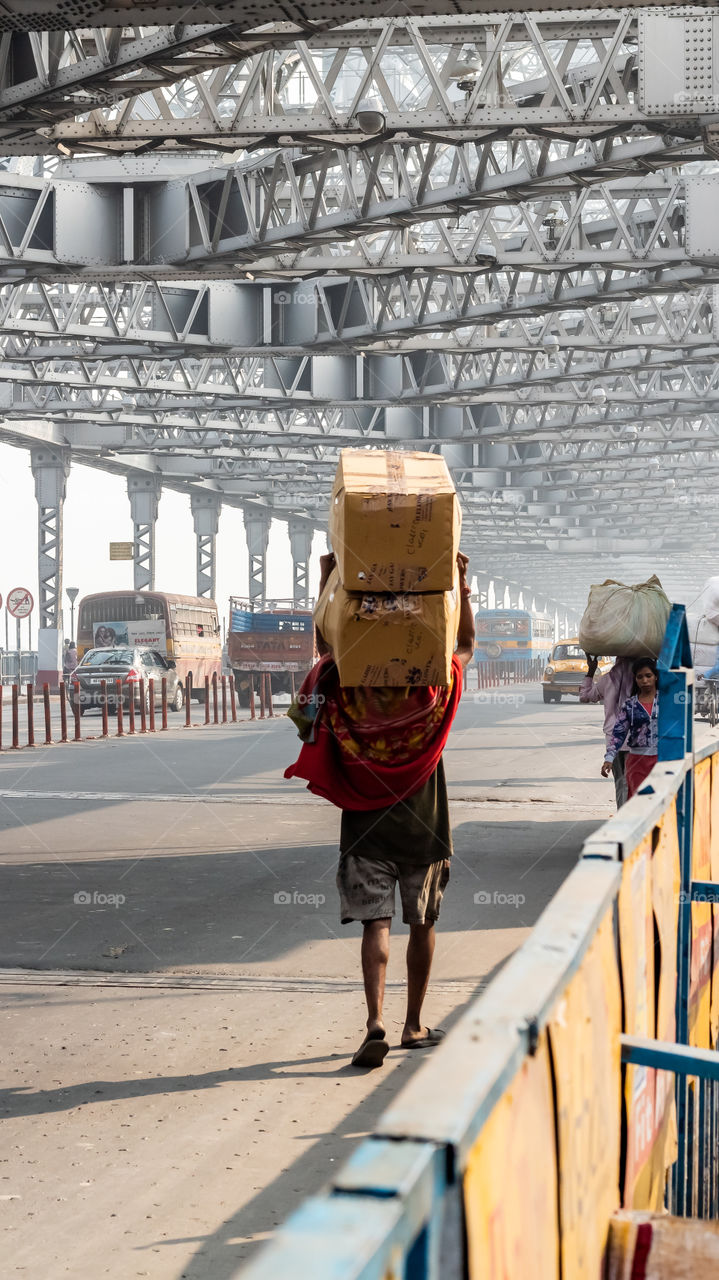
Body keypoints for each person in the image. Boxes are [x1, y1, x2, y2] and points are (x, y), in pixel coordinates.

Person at [285, 551, 475, 1068]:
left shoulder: (348, 688)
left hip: (366, 825)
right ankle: (413, 1024)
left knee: (378, 925)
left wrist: (327, 580)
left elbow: (325, 648)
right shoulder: (434, 691)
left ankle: (375, 1020)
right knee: (423, 922)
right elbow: (464, 645)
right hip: (425, 825)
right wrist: (459, 580)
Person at [580, 654, 634, 807]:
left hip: (612, 740)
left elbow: (584, 696)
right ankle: (628, 817)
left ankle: (622, 815)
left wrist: (591, 671)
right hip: (635, 740)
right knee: (631, 781)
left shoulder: (607, 680)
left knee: (620, 782)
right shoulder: (641, 679)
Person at [601, 658, 658, 800]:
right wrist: (609, 758)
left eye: (648, 676)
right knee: (638, 802)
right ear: (635, 679)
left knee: (660, 804)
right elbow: (618, 734)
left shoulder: (666, 702)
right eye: (640, 677)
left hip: (661, 761)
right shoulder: (630, 705)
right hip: (637, 762)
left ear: (656, 677)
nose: (644, 680)